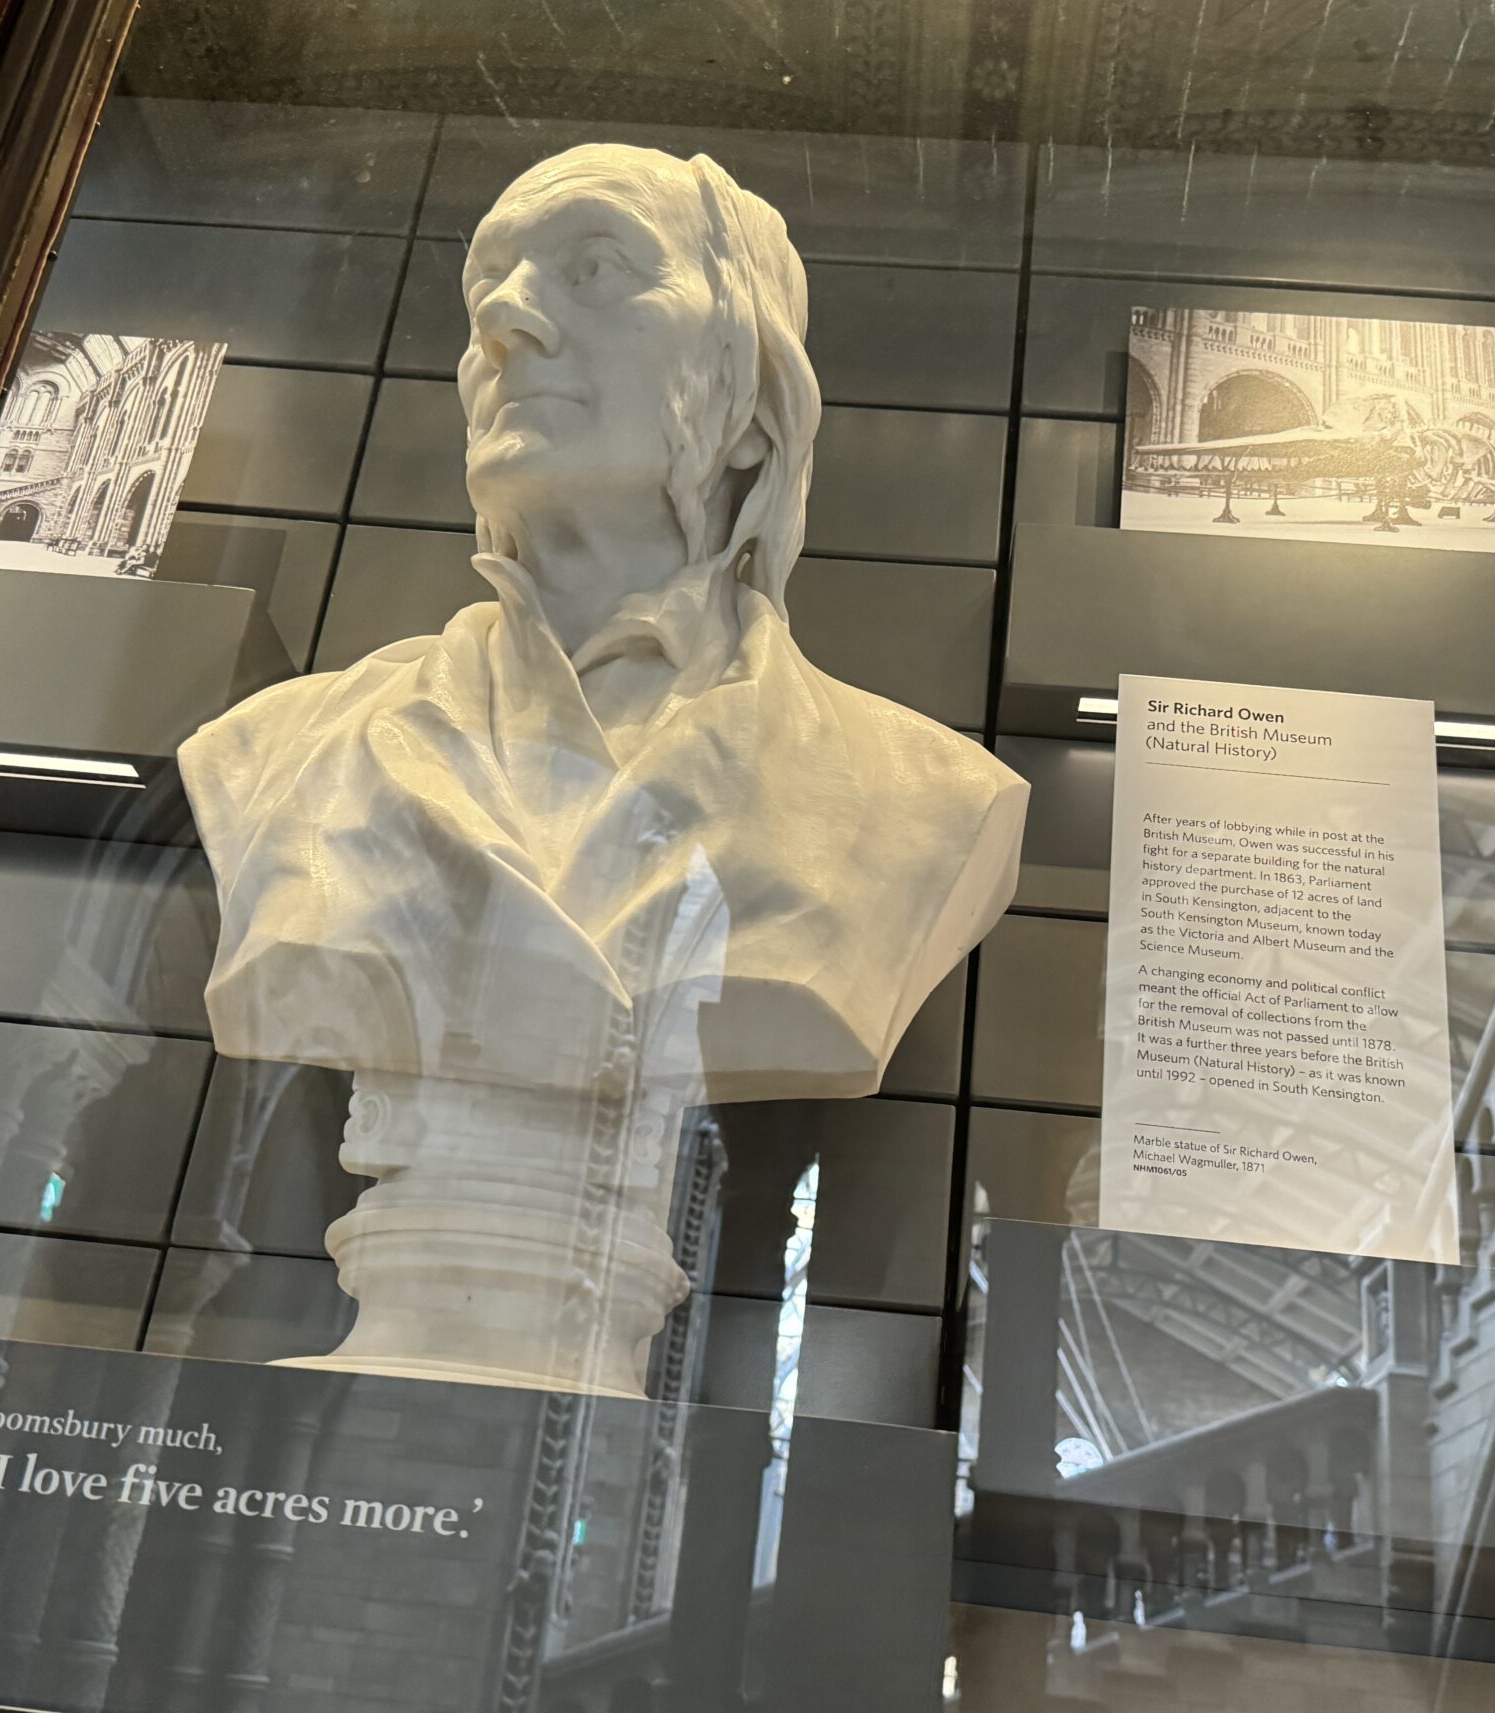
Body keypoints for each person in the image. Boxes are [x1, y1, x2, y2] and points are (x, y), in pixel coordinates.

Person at [176, 146, 1028, 1392]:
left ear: (752, 389)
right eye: (488, 286)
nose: (506, 321)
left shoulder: (924, 804)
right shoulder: (278, 754)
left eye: (593, 268)